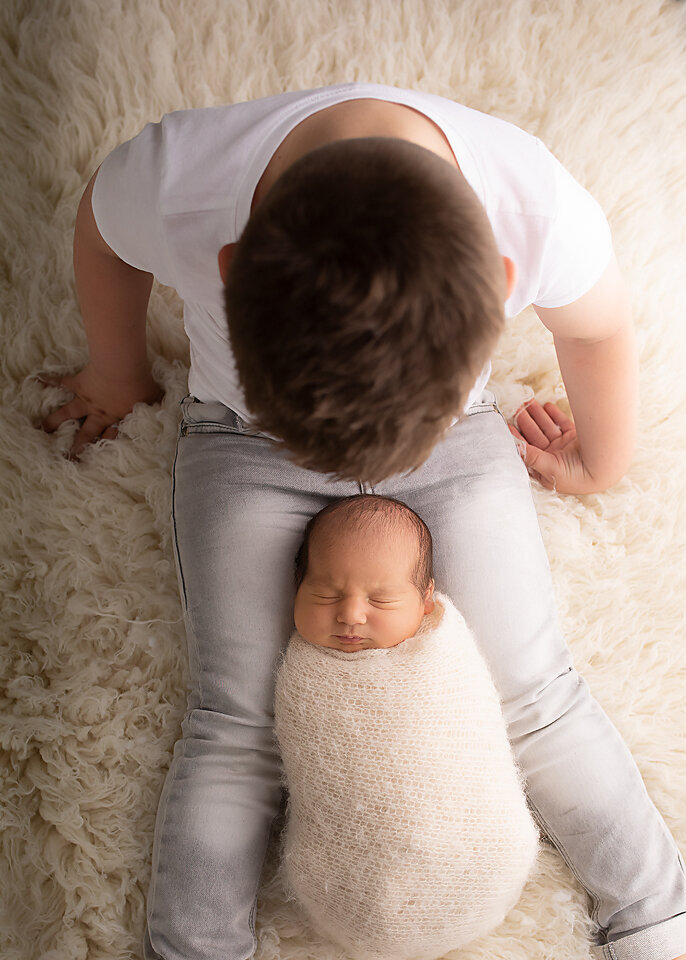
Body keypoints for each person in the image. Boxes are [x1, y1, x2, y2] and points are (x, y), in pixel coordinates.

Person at [36, 81, 686, 960]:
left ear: (500, 283)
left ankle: (656, 918)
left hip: (447, 438)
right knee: (236, 720)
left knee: (536, 695)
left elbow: (601, 328)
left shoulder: (533, 202)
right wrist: (116, 369)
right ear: (231, 269)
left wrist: (602, 457)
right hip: (250, 440)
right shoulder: (178, 176)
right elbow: (103, 232)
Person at [273, 492, 540, 960]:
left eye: (381, 598)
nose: (351, 614)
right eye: (326, 594)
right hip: (349, 887)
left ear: (424, 600)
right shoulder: (304, 672)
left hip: (479, 857)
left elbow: (473, 737)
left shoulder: (441, 656)